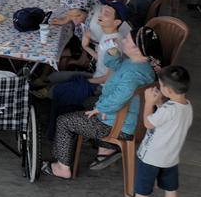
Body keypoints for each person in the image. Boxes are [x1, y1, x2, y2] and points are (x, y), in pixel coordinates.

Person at [45, 27, 159, 179]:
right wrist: (113, 54)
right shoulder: (138, 64)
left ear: (138, 50)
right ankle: (104, 147)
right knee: (75, 103)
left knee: (64, 121)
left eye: (128, 40)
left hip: (116, 125)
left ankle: (62, 168)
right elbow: (117, 68)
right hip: (122, 118)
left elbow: (121, 95)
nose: (124, 40)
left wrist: (100, 108)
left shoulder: (134, 74)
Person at [130, 65, 193, 197]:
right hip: (170, 158)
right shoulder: (187, 106)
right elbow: (168, 118)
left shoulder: (167, 110)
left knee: (143, 188)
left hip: (151, 157)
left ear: (168, 90)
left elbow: (148, 123)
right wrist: (159, 103)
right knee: (171, 188)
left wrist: (148, 103)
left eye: (161, 85)